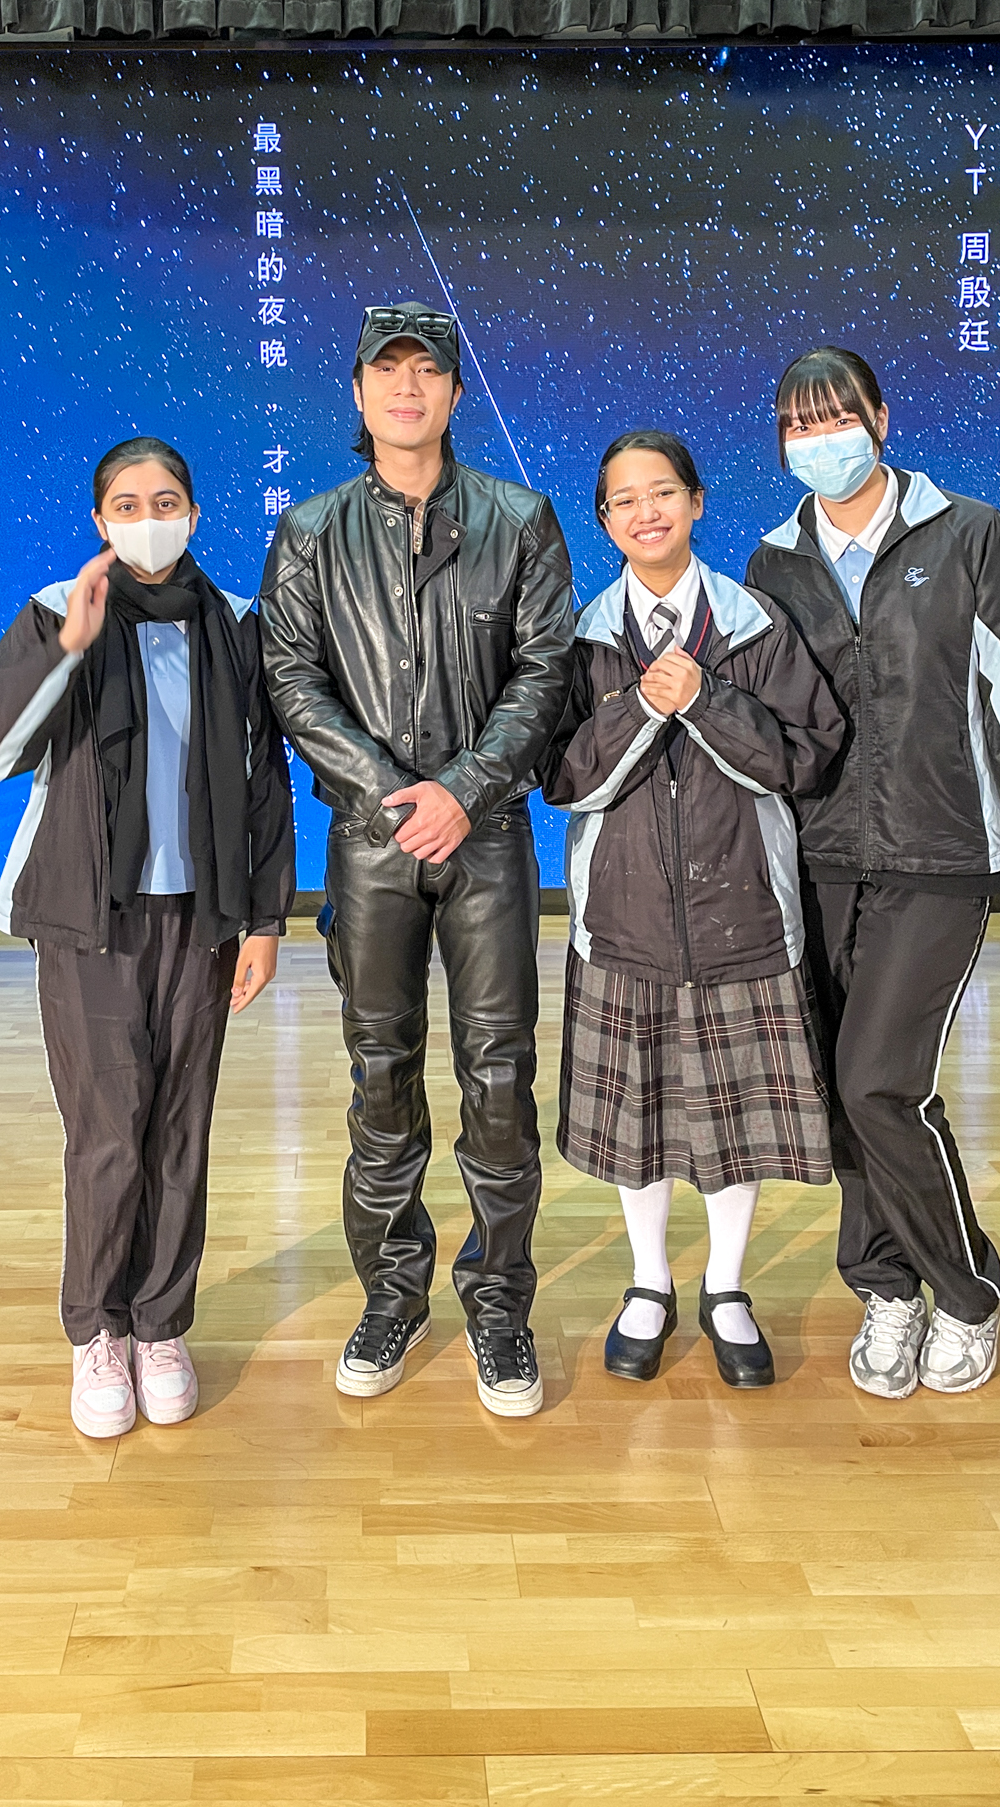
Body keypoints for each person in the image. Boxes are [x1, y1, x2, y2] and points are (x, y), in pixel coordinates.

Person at [747, 348, 1000, 1400]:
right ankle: (885, 1288)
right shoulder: (776, 562)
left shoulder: (969, 536)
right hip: (822, 859)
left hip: (943, 856)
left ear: (880, 418)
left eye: (836, 417)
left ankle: (967, 1291)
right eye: (798, 424)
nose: (819, 439)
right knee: (841, 1088)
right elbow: (770, 726)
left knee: (881, 1080)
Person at [259, 303, 575, 1418]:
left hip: (487, 838)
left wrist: (463, 790)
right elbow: (291, 679)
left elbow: (545, 672)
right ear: (359, 393)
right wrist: (395, 797)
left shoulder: (520, 519)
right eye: (386, 370)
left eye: (426, 370)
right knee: (380, 1072)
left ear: (453, 391)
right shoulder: (310, 530)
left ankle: (499, 1303)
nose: (406, 387)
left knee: (500, 1075)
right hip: (370, 841)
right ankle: (392, 1294)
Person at [0, 437, 296, 1439]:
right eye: (129, 504)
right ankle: (97, 1328)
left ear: (195, 514)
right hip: (89, 920)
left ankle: (160, 1325)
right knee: (108, 1130)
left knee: (180, 1126)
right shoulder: (61, 609)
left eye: (168, 500)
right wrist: (66, 647)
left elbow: (263, 784)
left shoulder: (236, 622)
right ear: (100, 521)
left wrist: (265, 920)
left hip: (202, 917)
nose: (151, 519)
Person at [542, 431, 844, 1387]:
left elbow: (807, 754)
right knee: (639, 1117)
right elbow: (561, 774)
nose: (647, 512)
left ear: (698, 502)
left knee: (734, 1118)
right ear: (604, 522)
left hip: (743, 910)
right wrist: (642, 706)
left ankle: (725, 1286)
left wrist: (707, 699)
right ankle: (647, 1282)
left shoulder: (755, 624)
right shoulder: (585, 637)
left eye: (663, 492)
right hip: (623, 918)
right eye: (625, 500)